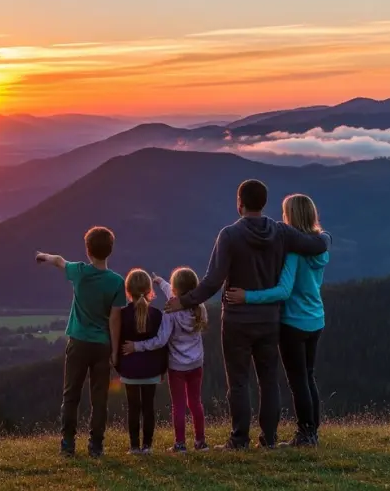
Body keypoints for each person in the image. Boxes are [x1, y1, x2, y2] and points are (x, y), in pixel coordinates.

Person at [165, 179, 331, 450]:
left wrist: (183, 302)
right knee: (269, 381)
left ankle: (239, 439)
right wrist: (326, 236)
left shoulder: (229, 235)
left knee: (239, 382)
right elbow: (318, 244)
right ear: (264, 203)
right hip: (270, 321)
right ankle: (269, 440)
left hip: (237, 321)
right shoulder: (281, 232)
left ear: (239, 203)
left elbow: (212, 281)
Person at [226, 194, 328, 447]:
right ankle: (312, 430)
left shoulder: (295, 252)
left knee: (298, 381)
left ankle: (305, 434)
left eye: (285, 213)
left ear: (291, 216)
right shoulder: (321, 246)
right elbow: (326, 239)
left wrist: (247, 296)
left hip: (293, 321)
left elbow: (283, 291)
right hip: (316, 318)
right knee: (309, 375)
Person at [35, 226, 127, 458]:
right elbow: (116, 320)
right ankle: (96, 446)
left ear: (88, 251)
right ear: (110, 251)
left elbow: (58, 261)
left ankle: (67, 444)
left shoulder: (79, 272)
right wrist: (115, 352)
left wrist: (43, 256)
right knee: (99, 399)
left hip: (78, 343)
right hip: (102, 346)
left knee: (71, 395)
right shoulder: (117, 282)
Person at [124, 267, 209, 453]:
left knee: (178, 404)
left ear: (176, 290)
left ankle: (180, 444)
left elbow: (160, 340)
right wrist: (161, 282)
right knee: (195, 402)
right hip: (196, 364)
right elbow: (178, 294)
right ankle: (201, 441)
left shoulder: (170, 312)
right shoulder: (200, 308)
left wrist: (136, 346)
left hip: (177, 367)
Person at [114, 269, 167, 455]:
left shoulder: (122, 314)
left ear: (128, 290)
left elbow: (118, 342)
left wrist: (119, 365)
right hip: (151, 370)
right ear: (149, 289)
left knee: (133, 408)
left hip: (129, 370)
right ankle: (148, 446)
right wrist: (162, 369)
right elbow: (162, 345)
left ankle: (134, 446)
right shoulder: (158, 315)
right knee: (148, 408)